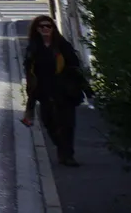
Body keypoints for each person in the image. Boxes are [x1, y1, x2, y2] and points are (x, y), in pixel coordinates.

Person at [20, 14, 88, 167]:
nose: (45, 29)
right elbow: (30, 72)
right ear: (36, 29)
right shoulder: (33, 48)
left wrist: (82, 85)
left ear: (53, 28)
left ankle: (68, 155)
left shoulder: (62, 45)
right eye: (41, 26)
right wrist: (30, 97)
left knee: (67, 124)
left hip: (65, 90)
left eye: (48, 26)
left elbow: (75, 66)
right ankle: (61, 148)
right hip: (44, 91)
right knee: (48, 122)